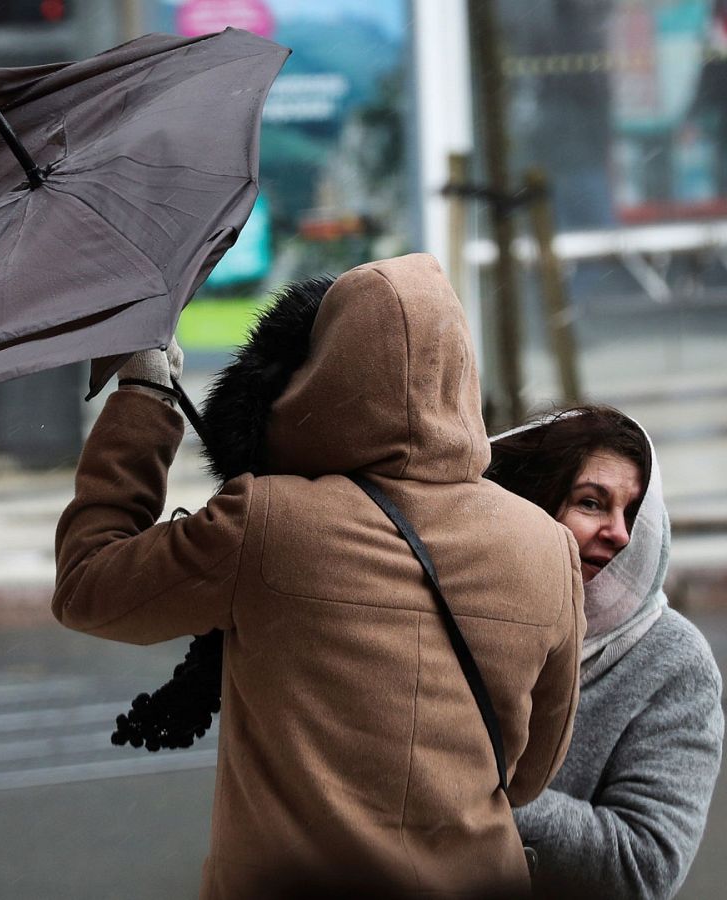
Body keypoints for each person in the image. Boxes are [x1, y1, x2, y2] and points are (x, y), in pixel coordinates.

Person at [53, 253, 584, 897]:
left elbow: (89, 587)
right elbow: (527, 776)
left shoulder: (270, 524)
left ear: (325, 374)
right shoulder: (547, 548)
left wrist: (145, 399)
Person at [488, 407, 724, 899]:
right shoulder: (460, 616)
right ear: (530, 506)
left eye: (634, 513)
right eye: (592, 503)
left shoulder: (674, 662)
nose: (621, 532)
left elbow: (645, 863)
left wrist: (473, 792)